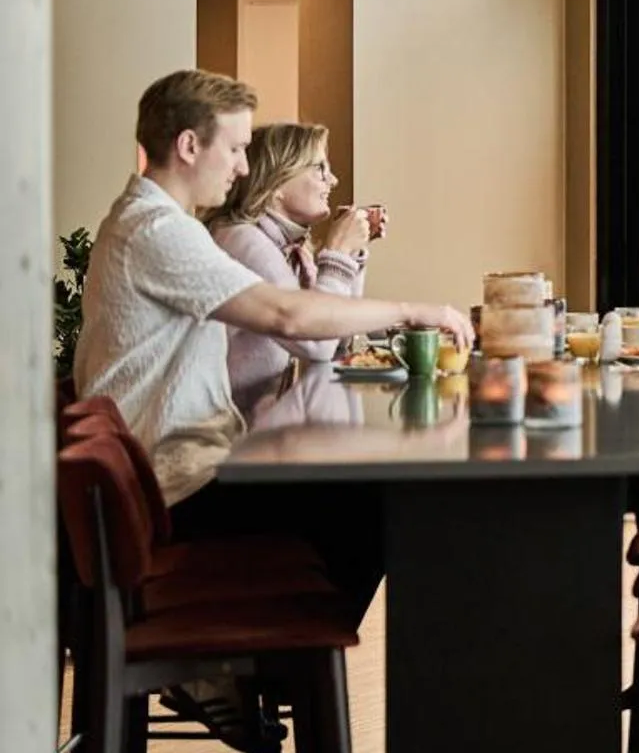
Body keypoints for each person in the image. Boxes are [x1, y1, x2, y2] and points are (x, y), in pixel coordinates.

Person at [75, 70, 470, 516]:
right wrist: (416, 311)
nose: (244, 167)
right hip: (174, 487)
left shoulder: (157, 222)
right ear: (189, 146)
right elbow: (289, 318)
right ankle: (298, 588)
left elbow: (302, 322)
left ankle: (312, 587)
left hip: (180, 473)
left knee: (366, 498)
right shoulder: (157, 230)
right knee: (373, 504)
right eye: (237, 149)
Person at [208, 121, 374, 412]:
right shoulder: (241, 239)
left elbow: (339, 338)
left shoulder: (289, 246)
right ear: (277, 184)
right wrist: (337, 254)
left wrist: (352, 253)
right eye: (319, 168)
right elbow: (317, 342)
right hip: (228, 434)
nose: (332, 180)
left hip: (260, 421)